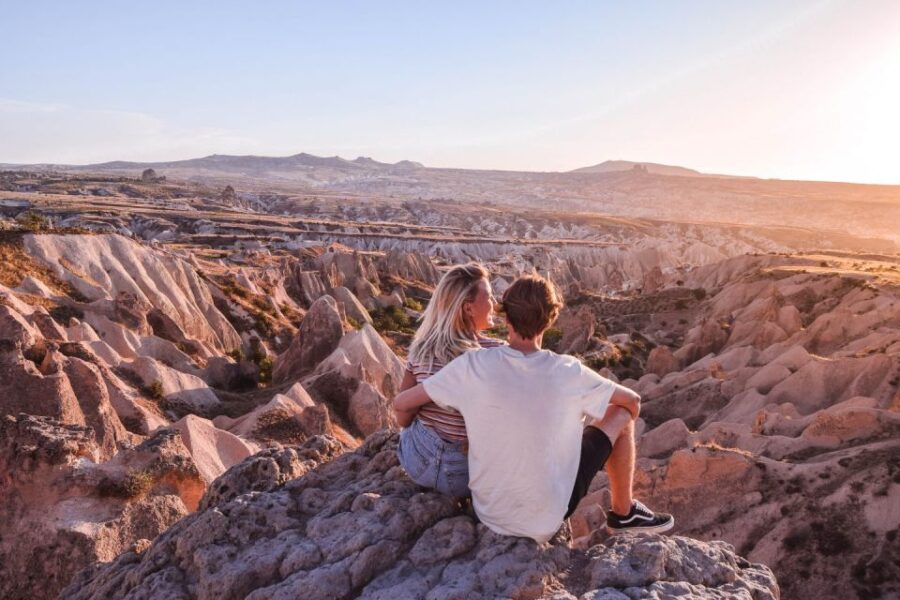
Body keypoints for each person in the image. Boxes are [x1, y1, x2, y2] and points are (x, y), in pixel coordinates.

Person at [393, 274, 674, 542]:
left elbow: (402, 403)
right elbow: (633, 402)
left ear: (506, 317)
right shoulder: (569, 371)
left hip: (488, 513)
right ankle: (624, 514)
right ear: (551, 319)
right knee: (621, 415)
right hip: (547, 520)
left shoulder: (473, 365)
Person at [394, 262, 502, 498]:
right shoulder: (497, 354)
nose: (495, 304)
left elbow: (403, 419)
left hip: (417, 464)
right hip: (468, 476)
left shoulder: (421, 350)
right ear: (468, 308)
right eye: (490, 297)